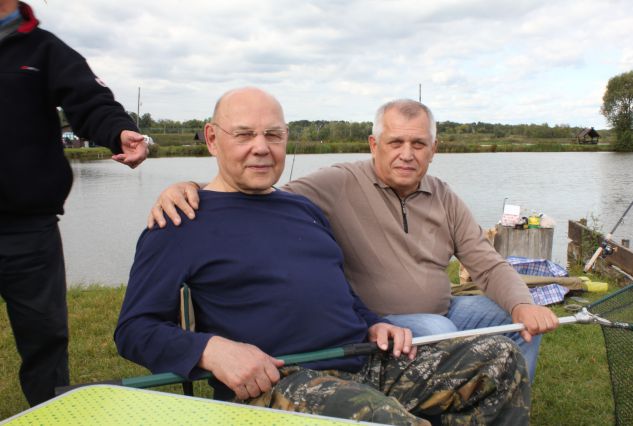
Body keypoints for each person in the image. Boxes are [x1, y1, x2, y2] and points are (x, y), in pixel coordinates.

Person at [115, 87, 530, 425]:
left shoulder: (304, 208)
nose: (261, 148)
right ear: (212, 139)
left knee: (500, 359)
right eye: (244, 135)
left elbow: (339, 291)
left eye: (273, 135)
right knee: (385, 419)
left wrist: (372, 323)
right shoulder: (181, 220)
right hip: (277, 379)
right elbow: (134, 329)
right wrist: (211, 350)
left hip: (362, 359)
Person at [0, 1, 148, 406]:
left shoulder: (44, 50)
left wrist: (119, 131)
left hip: (28, 228)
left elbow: (90, 101)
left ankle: (50, 412)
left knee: (44, 340)